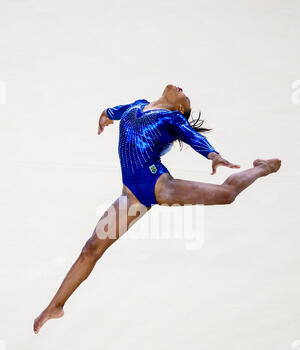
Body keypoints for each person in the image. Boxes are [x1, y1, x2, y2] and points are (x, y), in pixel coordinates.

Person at [33, 84, 281, 333]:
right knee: (90, 249)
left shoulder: (172, 118)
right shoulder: (137, 104)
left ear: (180, 107)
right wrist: (105, 115)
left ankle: (263, 167)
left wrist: (212, 155)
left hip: (158, 186)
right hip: (130, 196)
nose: (183, 89)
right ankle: (55, 306)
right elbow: (116, 111)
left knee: (227, 194)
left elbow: (193, 136)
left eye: (186, 95)